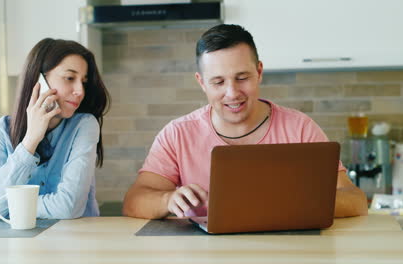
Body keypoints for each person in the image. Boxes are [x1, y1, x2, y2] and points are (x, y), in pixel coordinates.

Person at [122, 24, 368, 219]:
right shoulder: (177, 134)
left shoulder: (299, 127)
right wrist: (168, 200)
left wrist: (286, 202)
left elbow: (355, 201)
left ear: (259, 72)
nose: (232, 93)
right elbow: (134, 201)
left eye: (242, 78)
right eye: (218, 82)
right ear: (201, 82)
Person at [0, 38, 110, 219]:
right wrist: (30, 141)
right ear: (39, 80)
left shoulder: (84, 125)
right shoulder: (0, 131)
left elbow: (68, 207)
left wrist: (11, 205)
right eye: (69, 78)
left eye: (83, 82)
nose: (80, 90)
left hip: (74, 242)